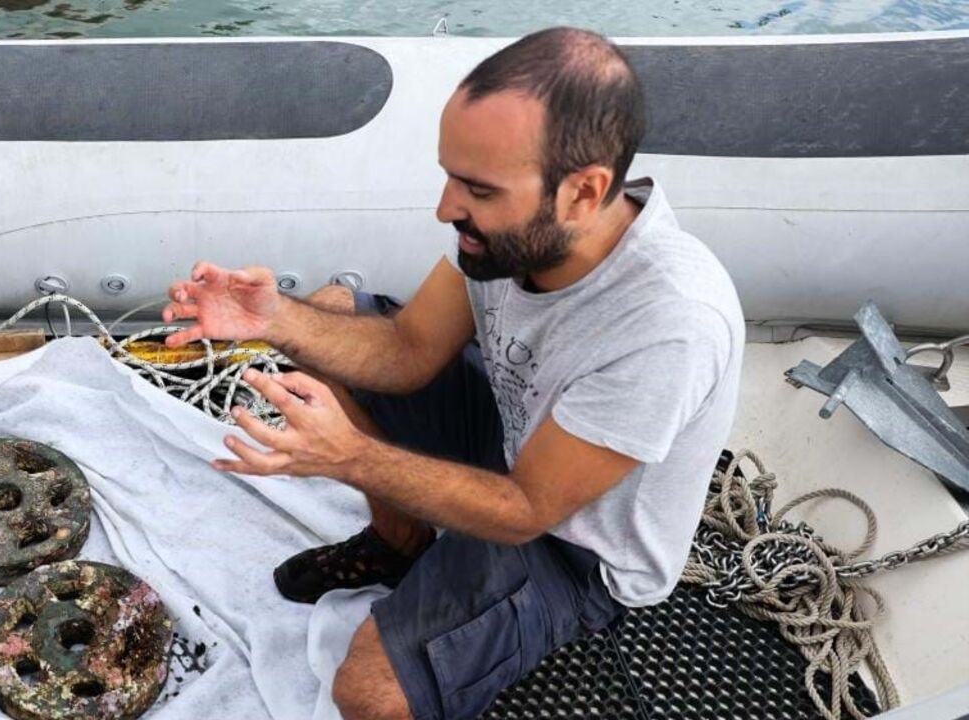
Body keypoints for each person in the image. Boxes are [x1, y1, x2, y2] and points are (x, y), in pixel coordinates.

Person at [161, 26, 744, 720]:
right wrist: (274, 320)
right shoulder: (512, 237)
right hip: (511, 434)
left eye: (477, 190)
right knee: (325, 318)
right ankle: (397, 546)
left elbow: (527, 510)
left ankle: (453, 594)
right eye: (449, 176)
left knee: (369, 696)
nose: (445, 209)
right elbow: (409, 350)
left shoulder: (668, 325)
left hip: (571, 548)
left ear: (583, 194)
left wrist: (351, 458)